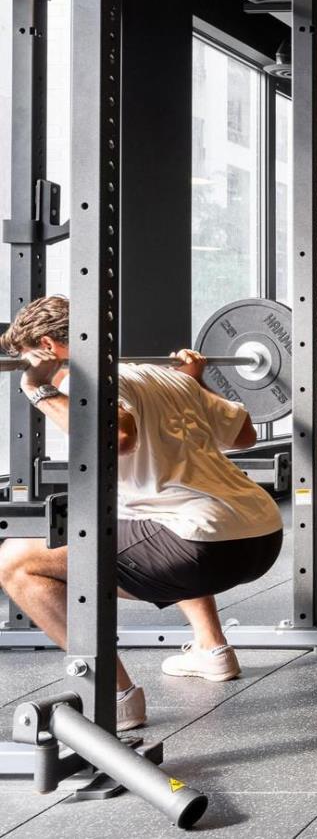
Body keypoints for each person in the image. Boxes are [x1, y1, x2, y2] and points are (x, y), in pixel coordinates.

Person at [0, 296, 285, 732]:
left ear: (46, 346)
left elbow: (119, 437)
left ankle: (116, 699)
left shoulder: (83, 379)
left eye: (25, 357)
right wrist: (194, 384)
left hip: (203, 548)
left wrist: (38, 390)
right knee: (151, 520)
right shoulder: (164, 377)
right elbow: (244, 435)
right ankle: (212, 649)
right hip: (262, 536)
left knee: (16, 562)